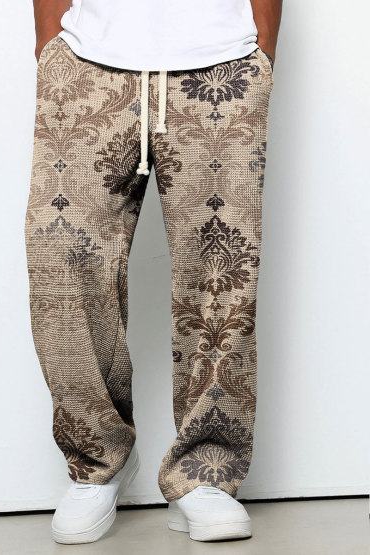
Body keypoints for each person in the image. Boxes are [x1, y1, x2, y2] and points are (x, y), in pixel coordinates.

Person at [25, 0, 282, 544]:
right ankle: (98, 460)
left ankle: (205, 472)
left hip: (222, 63)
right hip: (86, 62)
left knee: (221, 274)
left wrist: (261, 48)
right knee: (62, 260)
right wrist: (52, 44)